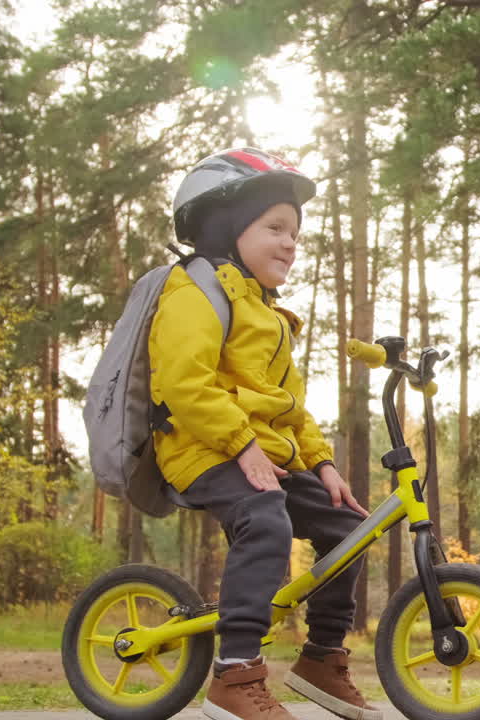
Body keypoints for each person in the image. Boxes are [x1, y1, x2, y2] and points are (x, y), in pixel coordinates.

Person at [151, 148, 380, 720]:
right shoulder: (194, 292)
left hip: (255, 452)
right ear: (228, 228)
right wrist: (243, 444)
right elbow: (185, 383)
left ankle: (322, 659)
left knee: (350, 527)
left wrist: (322, 463)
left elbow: (290, 408)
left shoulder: (270, 314)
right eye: (275, 227)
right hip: (199, 446)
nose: (289, 244)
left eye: (295, 234)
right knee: (264, 514)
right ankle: (234, 675)